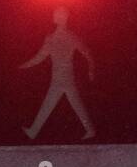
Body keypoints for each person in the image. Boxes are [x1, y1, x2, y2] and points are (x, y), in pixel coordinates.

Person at [20, 8, 96, 141]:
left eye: (56, 15)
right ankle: (90, 129)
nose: (53, 17)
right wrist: (25, 65)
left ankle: (34, 131)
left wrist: (91, 69)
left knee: (53, 104)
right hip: (61, 78)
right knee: (69, 104)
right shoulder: (56, 38)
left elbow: (86, 52)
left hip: (61, 78)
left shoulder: (64, 37)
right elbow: (40, 57)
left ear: (62, 18)